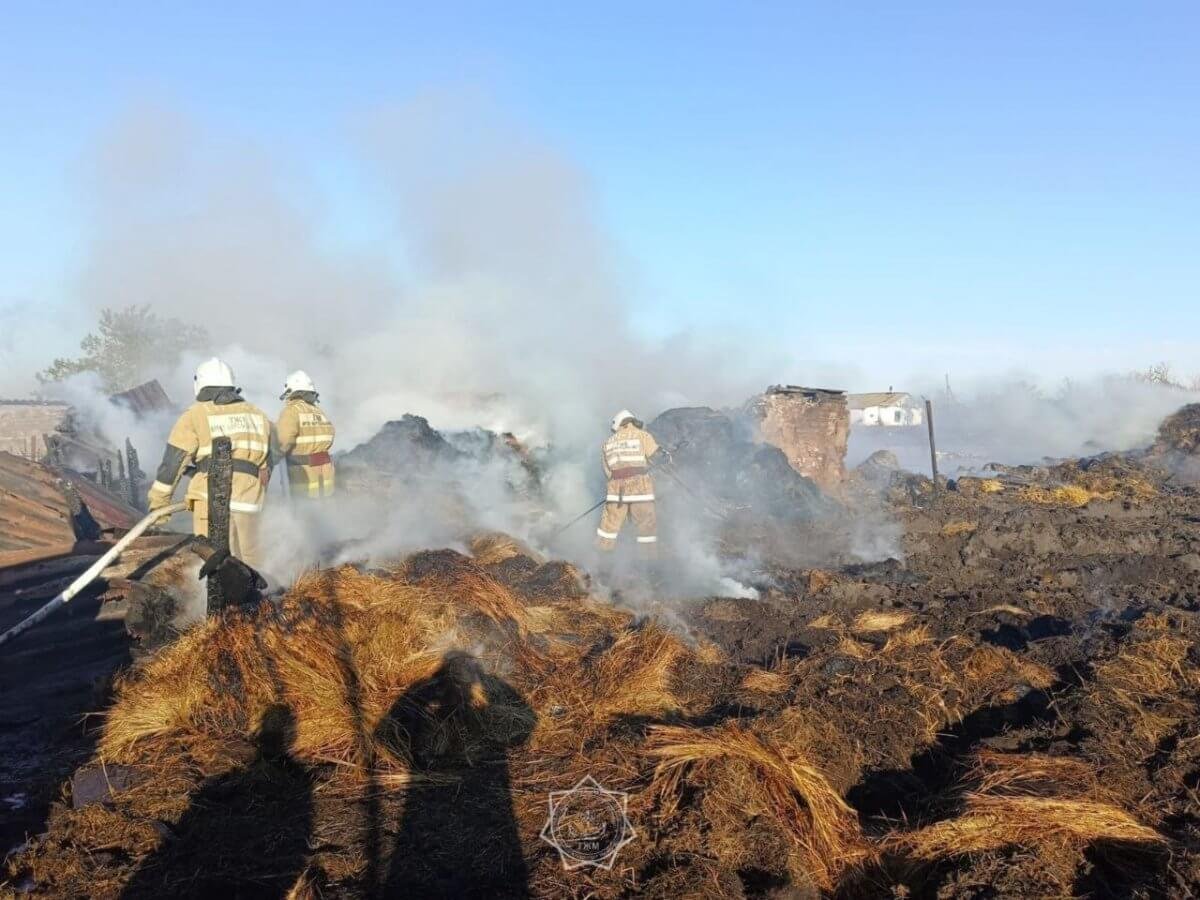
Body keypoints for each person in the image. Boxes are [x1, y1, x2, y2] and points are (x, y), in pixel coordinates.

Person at [147, 358, 273, 570]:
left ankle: (215, 602)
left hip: (211, 496)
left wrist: (160, 504)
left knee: (213, 558)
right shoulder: (258, 414)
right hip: (250, 499)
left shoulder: (196, 413)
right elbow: (267, 461)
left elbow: (173, 462)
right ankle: (260, 601)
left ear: (200, 383)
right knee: (251, 559)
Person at [596, 409, 664, 560]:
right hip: (640, 490)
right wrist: (666, 457)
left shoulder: (608, 443)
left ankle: (601, 559)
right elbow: (657, 455)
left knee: (609, 527)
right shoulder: (642, 436)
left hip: (616, 493)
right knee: (646, 526)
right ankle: (648, 563)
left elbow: (607, 472)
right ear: (632, 422)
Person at [275, 370, 336, 500]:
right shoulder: (319, 413)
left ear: (290, 392)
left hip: (302, 475)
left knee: (303, 515)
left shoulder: (291, 411)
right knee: (324, 512)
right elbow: (330, 437)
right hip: (325, 474)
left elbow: (282, 441)